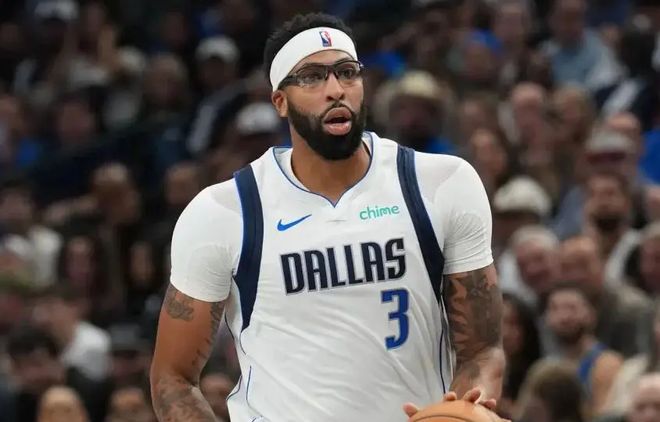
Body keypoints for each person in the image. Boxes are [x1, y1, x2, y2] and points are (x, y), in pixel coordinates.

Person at [150, 12, 504, 422]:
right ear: (280, 102)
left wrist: (465, 409)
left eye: (347, 72)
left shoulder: (440, 184)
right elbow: (173, 378)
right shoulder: (225, 212)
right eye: (312, 77)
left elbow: (482, 350)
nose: (335, 90)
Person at [543, 282, 623, 416]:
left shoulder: (606, 362)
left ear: (591, 314)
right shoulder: (547, 365)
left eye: (572, 308)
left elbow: (603, 416)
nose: (564, 317)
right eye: (555, 309)